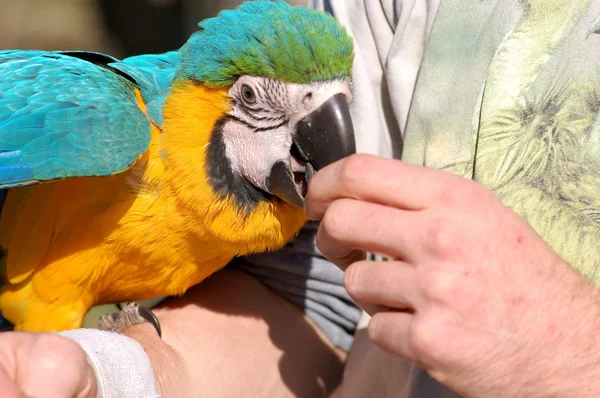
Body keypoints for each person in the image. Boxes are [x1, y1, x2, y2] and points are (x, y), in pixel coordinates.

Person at [4, 0, 600, 397]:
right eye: (256, 99)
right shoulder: (115, 117)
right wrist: (113, 374)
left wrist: (571, 354)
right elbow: (315, 305)